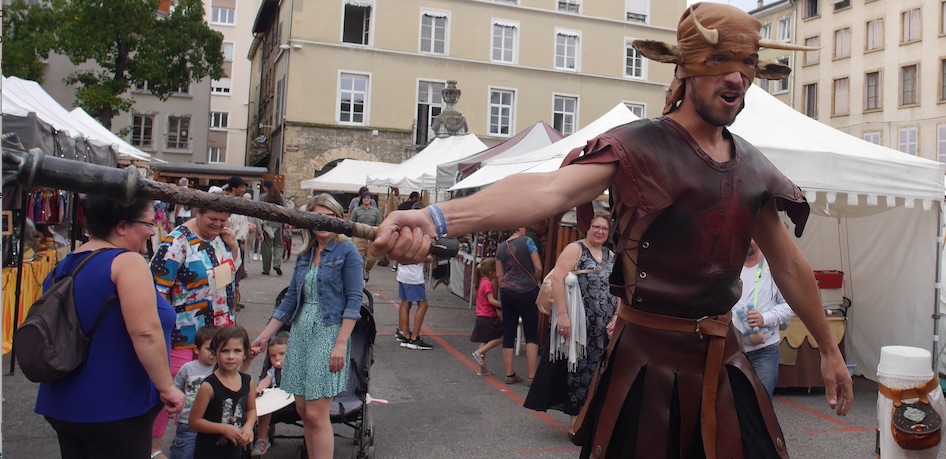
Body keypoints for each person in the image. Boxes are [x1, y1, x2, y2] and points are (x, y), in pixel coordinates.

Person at [369, 3, 852, 458]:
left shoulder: (752, 166)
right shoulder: (636, 146)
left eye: (746, 64)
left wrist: (829, 350)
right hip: (646, 370)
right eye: (720, 60)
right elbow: (548, 191)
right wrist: (434, 219)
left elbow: (787, 264)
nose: (737, 77)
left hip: (725, 365)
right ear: (683, 65)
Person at [35, 195, 184, 459]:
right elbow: (145, 331)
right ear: (122, 226)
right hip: (115, 405)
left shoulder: (68, 261)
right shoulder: (127, 262)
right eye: (147, 223)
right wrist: (167, 387)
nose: (152, 231)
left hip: (62, 401)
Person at [249, 193, 363, 459]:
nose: (322, 221)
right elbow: (290, 300)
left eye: (328, 216)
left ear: (339, 219)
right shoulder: (305, 255)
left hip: (329, 331)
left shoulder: (348, 251)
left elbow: (354, 300)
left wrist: (341, 343)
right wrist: (265, 337)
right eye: (316, 216)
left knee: (316, 412)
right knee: (303, 410)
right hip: (301, 332)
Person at [150, 206, 241, 455]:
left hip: (220, 331)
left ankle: (199, 444)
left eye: (223, 220)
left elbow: (228, 279)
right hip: (184, 332)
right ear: (197, 213)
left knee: (213, 389)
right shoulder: (176, 242)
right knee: (170, 389)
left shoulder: (221, 239)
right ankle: (153, 447)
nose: (218, 225)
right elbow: (157, 290)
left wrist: (233, 248)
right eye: (213, 219)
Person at [524, 209, 617, 437]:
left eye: (604, 228)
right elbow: (557, 278)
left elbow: (618, 289)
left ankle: (590, 420)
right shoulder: (575, 249)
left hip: (603, 328)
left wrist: (616, 317)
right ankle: (576, 422)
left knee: (599, 373)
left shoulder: (611, 256)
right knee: (577, 371)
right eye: (596, 226)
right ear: (588, 227)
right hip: (578, 325)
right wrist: (563, 315)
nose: (600, 231)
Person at [731, 239, 794, 400]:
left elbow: (790, 306)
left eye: (751, 236)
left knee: (762, 405)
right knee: (733, 406)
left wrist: (764, 318)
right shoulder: (728, 266)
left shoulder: (774, 267)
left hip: (764, 351)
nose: (746, 241)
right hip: (731, 349)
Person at [189, 325, 257, 459]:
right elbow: (194, 421)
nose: (231, 356)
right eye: (225, 351)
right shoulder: (209, 386)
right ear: (214, 353)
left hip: (235, 450)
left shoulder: (247, 382)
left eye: (237, 351)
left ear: (245, 353)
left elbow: (251, 410)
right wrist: (223, 428)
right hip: (209, 452)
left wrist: (248, 427)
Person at [495, 227, 542, 386]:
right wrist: (535, 281)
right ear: (520, 227)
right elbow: (538, 267)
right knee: (531, 334)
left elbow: (499, 275)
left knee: (509, 332)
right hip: (527, 291)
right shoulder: (528, 242)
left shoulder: (501, 247)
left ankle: (509, 374)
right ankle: (532, 376)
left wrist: (506, 286)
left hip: (507, 291)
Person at [170, 326, 219, 459]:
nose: (213, 353)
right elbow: (175, 388)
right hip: (187, 423)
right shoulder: (188, 368)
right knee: (185, 454)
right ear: (197, 349)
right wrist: (172, 405)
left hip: (212, 423)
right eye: (209, 349)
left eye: (217, 349)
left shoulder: (221, 369)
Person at [395, 211, 434, 351]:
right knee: (423, 305)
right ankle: (414, 337)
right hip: (413, 276)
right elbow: (423, 256)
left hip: (403, 274)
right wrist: (428, 257)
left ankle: (404, 333)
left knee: (406, 303)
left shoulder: (404, 235)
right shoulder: (418, 237)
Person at [250, 333, 289, 457]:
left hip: (293, 400)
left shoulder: (295, 369)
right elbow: (266, 380)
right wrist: (261, 386)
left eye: (282, 354)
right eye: (273, 356)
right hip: (276, 400)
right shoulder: (273, 371)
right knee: (264, 407)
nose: (277, 358)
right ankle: (262, 438)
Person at [470, 257, 503, 376]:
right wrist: (503, 305)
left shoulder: (481, 282)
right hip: (488, 316)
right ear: (491, 273)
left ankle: (482, 368)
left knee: (485, 339)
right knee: (502, 336)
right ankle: (480, 352)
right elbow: (491, 300)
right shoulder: (488, 283)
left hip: (481, 315)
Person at [225, 177, 250, 311]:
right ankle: (230, 299)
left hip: (239, 241)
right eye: (241, 187)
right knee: (231, 271)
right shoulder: (229, 203)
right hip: (232, 241)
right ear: (234, 188)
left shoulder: (239, 203)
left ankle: (235, 298)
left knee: (238, 273)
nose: (243, 190)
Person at [350, 191, 383, 283]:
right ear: (362, 199)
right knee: (358, 257)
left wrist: (378, 236)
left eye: (368, 198)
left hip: (371, 237)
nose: (367, 199)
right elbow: (352, 223)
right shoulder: (356, 210)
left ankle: (367, 270)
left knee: (371, 259)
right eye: (365, 198)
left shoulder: (375, 211)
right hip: (359, 236)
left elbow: (378, 224)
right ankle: (359, 276)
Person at [259, 180, 285, 276]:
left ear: (265, 187)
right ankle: (277, 263)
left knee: (266, 247)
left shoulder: (263, 197)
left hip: (266, 224)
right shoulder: (280, 197)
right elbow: (285, 209)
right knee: (278, 245)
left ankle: (266, 269)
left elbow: (259, 209)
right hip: (277, 224)